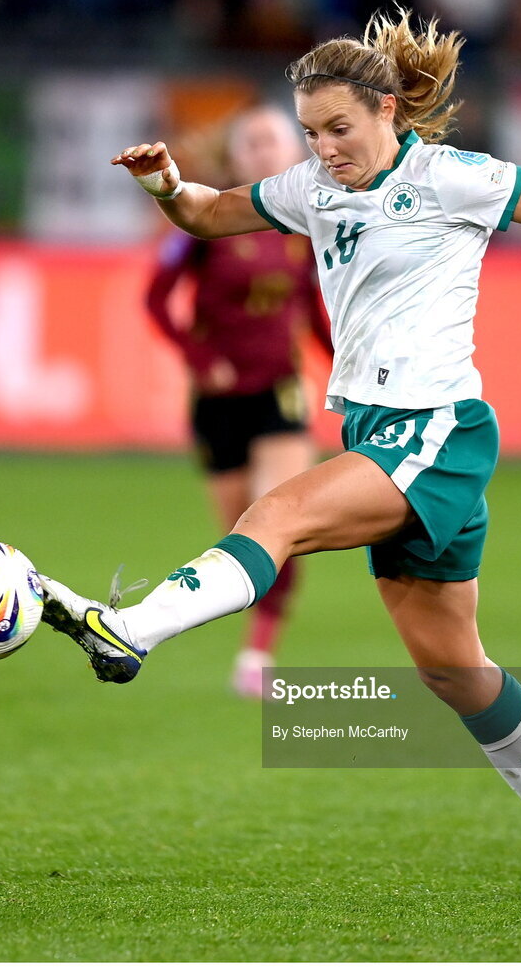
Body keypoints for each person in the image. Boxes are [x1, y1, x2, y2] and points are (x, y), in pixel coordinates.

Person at [39, 8, 521, 895]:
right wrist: (164, 185)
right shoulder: (310, 189)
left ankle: (127, 630)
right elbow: (204, 214)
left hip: (437, 429)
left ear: (389, 111)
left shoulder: (450, 178)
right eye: (311, 132)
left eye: (340, 128)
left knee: (277, 515)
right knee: (449, 666)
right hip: (377, 432)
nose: (325, 148)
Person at [145, 105, 332, 698]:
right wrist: (201, 361)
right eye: (250, 143)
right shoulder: (208, 220)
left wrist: (349, 376)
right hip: (217, 403)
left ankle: (258, 655)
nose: (263, 152)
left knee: (278, 524)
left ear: (295, 153)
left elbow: (316, 313)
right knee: (238, 537)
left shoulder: (311, 223)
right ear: (234, 158)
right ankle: (230, 632)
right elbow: (155, 300)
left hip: (280, 392)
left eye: (273, 141)